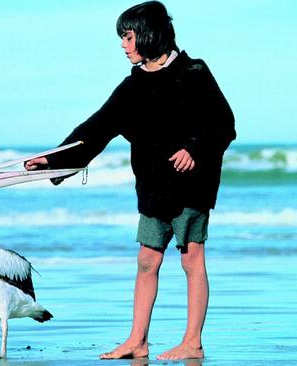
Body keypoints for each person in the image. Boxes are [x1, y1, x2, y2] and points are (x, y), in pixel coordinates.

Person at [25, 1, 235, 360]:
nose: (123, 44)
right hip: (153, 190)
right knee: (146, 262)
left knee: (191, 259)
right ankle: (138, 340)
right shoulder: (132, 88)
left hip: (192, 185)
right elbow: (95, 129)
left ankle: (192, 341)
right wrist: (54, 160)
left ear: (148, 34)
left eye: (128, 36)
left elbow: (223, 124)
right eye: (122, 37)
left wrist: (194, 148)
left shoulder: (194, 72)